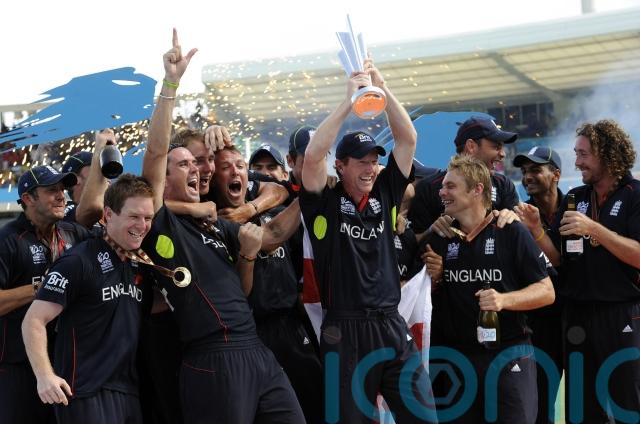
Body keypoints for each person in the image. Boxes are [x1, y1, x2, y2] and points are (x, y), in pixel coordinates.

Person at [140, 29, 305, 423]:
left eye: (200, 164)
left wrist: (313, 192)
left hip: (256, 348)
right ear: (163, 177)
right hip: (211, 355)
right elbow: (156, 151)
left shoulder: (217, 224)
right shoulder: (162, 222)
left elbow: (271, 236)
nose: (199, 171)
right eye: (185, 164)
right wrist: (171, 85)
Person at [299, 59, 437, 423]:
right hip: (344, 330)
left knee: (424, 416)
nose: (370, 168)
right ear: (340, 165)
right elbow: (312, 156)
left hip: (390, 323)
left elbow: (407, 138)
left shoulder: (386, 192)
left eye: (374, 161)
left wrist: (380, 87)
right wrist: (349, 102)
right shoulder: (324, 203)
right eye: (360, 162)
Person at [518, 119, 640, 423]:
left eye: (583, 154)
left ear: (607, 154)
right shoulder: (577, 197)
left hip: (622, 314)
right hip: (577, 316)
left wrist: (594, 229)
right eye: (576, 154)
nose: (577, 162)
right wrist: (535, 230)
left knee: (628, 404)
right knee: (581, 409)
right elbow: (559, 259)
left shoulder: (635, 194)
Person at [427, 155, 555, 423]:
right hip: (459, 360)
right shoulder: (442, 236)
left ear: (477, 190)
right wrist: (435, 278)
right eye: (443, 186)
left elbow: (546, 291)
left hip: (509, 355)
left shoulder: (511, 231)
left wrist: (503, 300)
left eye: (450, 186)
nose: (442, 192)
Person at [22, 174, 155, 423]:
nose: (142, 225)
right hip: (83, 391)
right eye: (134, 216)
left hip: (128, 391)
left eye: (148, 218)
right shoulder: (78, 260)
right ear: (108, 215)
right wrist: (44, 376)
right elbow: (34, 320)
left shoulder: (138, 264)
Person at [213, 144, 323, 423]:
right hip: (250, 333)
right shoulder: (214, 222)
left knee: (315, 405)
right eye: (225, 167)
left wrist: (249, 208)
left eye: (240, 166)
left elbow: (280, 191)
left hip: (291, 327)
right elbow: (273, 234)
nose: (235, 171)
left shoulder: (273, 207)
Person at [0, 165, 91, 423]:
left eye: (63, 189)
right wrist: (44, 288)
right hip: (17, 366)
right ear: (28, 198)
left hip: (66, 362)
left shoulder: (73, 233)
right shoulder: (8, 239)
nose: (62, 195)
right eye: (52, 190)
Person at [512, 146, 565, 423]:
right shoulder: (516, 218)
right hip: (540, 325)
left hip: (581, 319)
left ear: (556, 174)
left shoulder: (579, 208)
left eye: (535, 170)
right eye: (524, 171)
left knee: (590, 404)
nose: (527, 177)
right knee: (541, 406)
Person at [409, 116, 520, 236]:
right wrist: (432, 231)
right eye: (496, 147)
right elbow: (412, 241)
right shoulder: (428, 188)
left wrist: (514, 218)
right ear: (471, 146)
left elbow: (516, 233)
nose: (503, 154)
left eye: (451, 186)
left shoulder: (503, 184)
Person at [61, 129, 114, 228]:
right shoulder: (65, 211)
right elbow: (91, 209)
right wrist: (99, 150)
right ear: (76, 180)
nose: (105, 177)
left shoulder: (113, 211)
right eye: (97, 171)